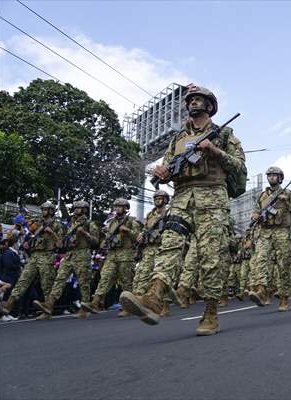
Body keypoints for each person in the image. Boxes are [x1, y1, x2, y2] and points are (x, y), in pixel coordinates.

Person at [119, 85, 245, 336]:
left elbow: (239, 166)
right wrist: (161, 172)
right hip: (181, 197)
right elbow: (167, 165)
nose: (194, 103)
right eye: (191, 100)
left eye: (199, 99)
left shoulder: (225, 134)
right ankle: (154, 296)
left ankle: (210, 312)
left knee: (211, 257)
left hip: (212, 198)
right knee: (170, 245)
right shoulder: (177, 139)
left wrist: (213, 150)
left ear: (210, 106)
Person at [0, 202, 64, 319]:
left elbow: (60, 244)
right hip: (34, 255)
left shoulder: (58, 225)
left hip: (47, 255)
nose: (43, 212)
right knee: (23, 280)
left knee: (46, 284)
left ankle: (47, 309)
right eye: (42, 209)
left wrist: (52, 233)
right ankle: (8, 305)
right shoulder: (38, 224)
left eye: (45, 210)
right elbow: (30, 235)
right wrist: (27, 242)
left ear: (51, 211)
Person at [249, 166, 291, 311]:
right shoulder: (261, 195)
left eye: (274, 175)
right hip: (264, 232)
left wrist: (287, 202)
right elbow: (256, 210)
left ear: (280, 178)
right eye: (269, 175)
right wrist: (255, 215)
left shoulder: (288, 193)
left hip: (282, 232)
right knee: (261, 260)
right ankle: (261, 289)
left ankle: (284, 297)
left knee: (284, 264)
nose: (271, 177)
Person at [82, 198, 141, 315]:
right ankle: (95, 302)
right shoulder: (112, 222)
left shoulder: (132, 221)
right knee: (105, 277)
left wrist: (128, 231)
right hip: (112, 254)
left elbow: (138, 238)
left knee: (126, 281)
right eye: (116, 206)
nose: (117, 208)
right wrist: (104, 242)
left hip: (126, 254)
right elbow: (107, 236)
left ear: (125, 208)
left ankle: (127, 307)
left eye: (120, 206)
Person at [133, 190, 169, 313]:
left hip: (162, 248)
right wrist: (141, 235)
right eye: (155, 198)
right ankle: (138, 299)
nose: (157, 200)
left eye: (160, 198)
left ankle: (164, 304)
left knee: (161, 275)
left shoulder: (169, 213)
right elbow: (145, 229)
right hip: (148, 249)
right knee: (142, 273)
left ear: (165, 200)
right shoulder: (150, 215)